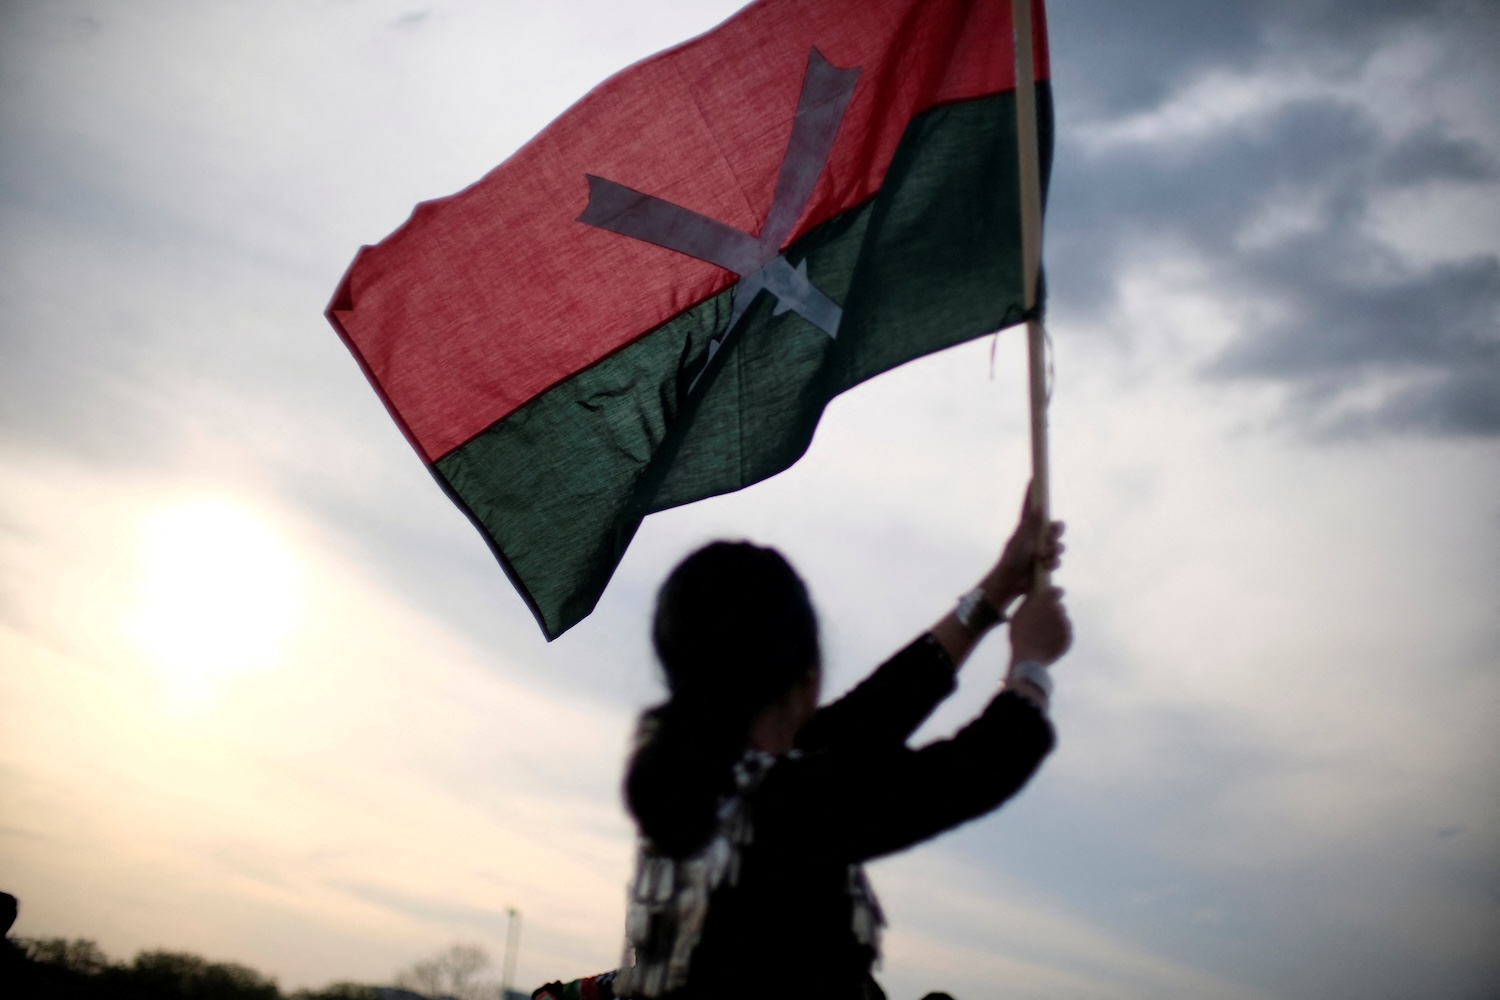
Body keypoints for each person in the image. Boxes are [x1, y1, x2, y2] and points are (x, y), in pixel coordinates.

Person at [540, 491, 1069, 1000]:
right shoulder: (782, 811)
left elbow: (868, 719)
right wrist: (1031, 664)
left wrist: (998, 590)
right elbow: (971, 770)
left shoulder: (710, 790)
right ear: (807, 675)